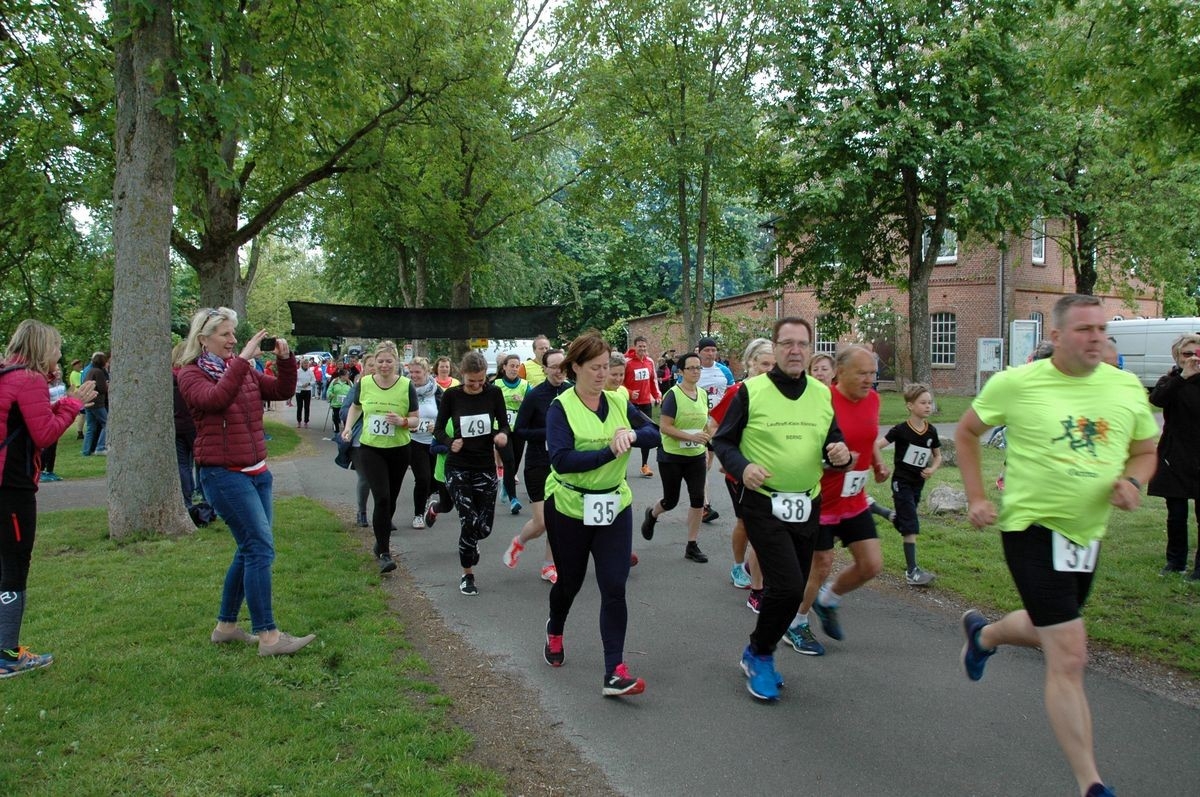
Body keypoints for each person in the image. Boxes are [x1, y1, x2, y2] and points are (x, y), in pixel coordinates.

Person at [955, 294, 1157, 797]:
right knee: (1068, 652)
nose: (1097, 338)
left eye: (1102, 329)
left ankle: (985, 636)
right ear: (1059, 335)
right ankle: (1091, 783)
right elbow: (966, 432)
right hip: (1030, 525)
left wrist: (1132, 481)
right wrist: (977, 497)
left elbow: (1145, 449)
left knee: (1052, 627)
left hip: (1086, 534)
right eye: (1085, 329)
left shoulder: (1125, 387)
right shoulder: (1017, 384)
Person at [713, 317, 851, 701]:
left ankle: (758, 649)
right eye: (786, 343)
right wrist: (743, 468)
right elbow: (722, 442)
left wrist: (839, 455)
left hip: (807, 501)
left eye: (802, 344)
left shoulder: (823, 395)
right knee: (789, 587)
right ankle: (760, 653)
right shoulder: (749, 391)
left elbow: (833, 443)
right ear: (773, 349)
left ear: (810, 349)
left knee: (794, 583)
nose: (795, 350)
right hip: (763, 503)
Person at [177, 307, 315, 656]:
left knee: (250, 548)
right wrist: (241, 361)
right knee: (259, 549)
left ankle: (226, 627)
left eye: (234, 334)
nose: (233, 340)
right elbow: (215, 400)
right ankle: (268, 636)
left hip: (257, 472)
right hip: (222, 474)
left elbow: (281, 390)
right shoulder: (190, 374)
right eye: (225, 334)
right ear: (203, 338)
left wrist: (285, 360)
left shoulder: (241, 371)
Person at [543, 331, 660, 698]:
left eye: (605, 366)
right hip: (570, 507)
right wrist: (609, 451)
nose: (601, 373)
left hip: (614, 505)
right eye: (593, 367)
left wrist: (632, 437)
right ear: (575, 367)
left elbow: (653, 432)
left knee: (614, 585)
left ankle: (614, 671)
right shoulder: (560, 408)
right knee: (571, 582)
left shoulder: (619, 402)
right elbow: (561, 459)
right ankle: (556, 628)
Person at [0, 320, 94, 677]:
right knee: (14, 565)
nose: (59, 353)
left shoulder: (9, 374)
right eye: (56, 346)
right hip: (12, 488)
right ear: (42, 348)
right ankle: (7, 654)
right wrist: (73, 404)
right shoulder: (29, 379)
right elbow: (44, 435)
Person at [804, 346, 889, 646]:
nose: (869, 380)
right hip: (822, 499)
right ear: (840, 372)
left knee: (871, 565)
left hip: (853, 499)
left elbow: (868, 435)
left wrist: (876, 460)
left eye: (872, 374)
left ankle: (828, 600)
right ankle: (796, 623)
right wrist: (836, 461)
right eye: (862, 373)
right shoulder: (823, 402)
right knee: (821, 565)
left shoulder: (874, 399)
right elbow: (804, 452)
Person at [433, 351, 510, 596]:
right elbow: (437, 429)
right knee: (469, 521)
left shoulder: (494, 393)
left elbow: (504, 424)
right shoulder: (451, 396)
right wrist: (448, 441)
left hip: (484, 466)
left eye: (480, 381)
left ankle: (471, 543)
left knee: (483, 528)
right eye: (471, 382)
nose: (476, 386)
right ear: (462, 375)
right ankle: (467, 575)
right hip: (457, 466)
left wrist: (502, 434)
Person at [342, 341, 418, 575]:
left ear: (396, 363)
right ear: (373, 363)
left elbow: (415, 419)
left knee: (391, 500)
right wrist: (347, 428)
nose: (384, 365)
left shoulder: (406, 386)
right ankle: (385, 553)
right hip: (371, 448)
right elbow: (355, 407)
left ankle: (380, 539)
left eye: (388, 361)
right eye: (380, 361)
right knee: (382, 498)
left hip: (399, 448)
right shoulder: (364, 383)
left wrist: (402, 421)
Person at [708, 338, 775, 603]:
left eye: (774, 364)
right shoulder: (738, 392)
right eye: (764, 364)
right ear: (750, 364)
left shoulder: (779, 393)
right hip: (740, 472)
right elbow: (712, 424)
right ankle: (740, 567)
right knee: (747, 524)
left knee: (767, 525)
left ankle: (754, 568)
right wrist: (729, 456)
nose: (769, 370)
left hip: (770, 472)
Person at [503, 348, 568, 583]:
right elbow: (519, 429)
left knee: (557, 518)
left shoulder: (572, 392)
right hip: (538, 463)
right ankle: (519, 542)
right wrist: (549, 433)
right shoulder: (535, 395)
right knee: (541, 522)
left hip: (562, 464)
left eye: (563, 366)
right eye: (554, 367)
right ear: (544, 369)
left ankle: (548, 565)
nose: (559, 371)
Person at [641, 352, 711, 562]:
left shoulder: (703, 394)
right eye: (691, 368)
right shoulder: (673, 395)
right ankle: (652, 514)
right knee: (671, 501)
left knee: (698, 499)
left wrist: (706, 442)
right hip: (672, 456)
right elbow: (664, 427)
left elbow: (704, 424)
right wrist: (690, 436)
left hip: (696, 456)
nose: (696, 371)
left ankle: (692, 544)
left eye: (698, 367)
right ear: (680, 372)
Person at [875, 383, 942, 586]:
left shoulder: (931, 431)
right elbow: (876, 445)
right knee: (911, 524)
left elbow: (938, 456)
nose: (928, 406)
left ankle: (883, 512)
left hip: (917, 484)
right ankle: (912, 571)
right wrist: (882, 466)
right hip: (901, 483)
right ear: (910, 406)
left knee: (906, 520)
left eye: (930, 402)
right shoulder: (901, 430)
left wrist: (932, 469)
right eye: (923, 403)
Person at [1148, 333, 1200, 578]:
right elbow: (1157, 400)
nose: (1191, 358)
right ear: (1177, 357)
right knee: (1176, 515)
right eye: (1186, 354)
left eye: (1196, 353)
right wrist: (1183, 377)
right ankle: (1175, 562)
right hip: (1175, 455)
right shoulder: (1168, 381)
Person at [696, 337, 735, 523]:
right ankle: (705, 506)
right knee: (703, 463)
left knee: (709, 463)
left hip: (719, 424)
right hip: (700, 424)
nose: (711, 354)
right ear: (700, 352)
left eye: (713, 350)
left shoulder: (724, 371)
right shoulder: (694, 370)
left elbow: (732, 395)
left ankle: (699, 493)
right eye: (707, 350)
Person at [405, 357, 442, 530]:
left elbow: (446, 415)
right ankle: (418, 515)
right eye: (411, 372)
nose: (414, 376)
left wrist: (438, 426)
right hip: (414, 440)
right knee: (422, 478)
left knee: (435, 480)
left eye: (417, 372)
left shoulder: (437, 391)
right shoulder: (404, 390)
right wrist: (407, 424)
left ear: (427, 372)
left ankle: (426, 498)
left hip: (434, 441)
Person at [495, 353, 529, 515]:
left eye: (517, 366)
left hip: (519, 429)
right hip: (501, 429)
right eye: (511, 366)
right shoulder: (496, 384)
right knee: (508, 461)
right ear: (504, 367)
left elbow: (532, 407)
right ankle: (513, 499)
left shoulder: (524, 385)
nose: (514, 369)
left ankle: (506, 487)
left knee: (514, 463)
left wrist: (522, 400)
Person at [624, 336, 662, 478]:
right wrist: (629, 393)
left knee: (646, 433)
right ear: (634, 347)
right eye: (640, 346)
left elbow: (653, 381)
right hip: (630, 405)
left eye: (644, 347)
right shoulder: (627, 362)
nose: (642, 349)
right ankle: (622, 466)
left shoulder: (650, 362)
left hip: (645, 402)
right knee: (626, 434)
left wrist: (657, 395)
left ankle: (644, 465)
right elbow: (618, 382)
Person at [81, 351, 109, 456]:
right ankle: (101, 447)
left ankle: (86, 450)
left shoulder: (90, 371)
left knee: (90, 427)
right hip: (98, 403)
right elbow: (102, 389)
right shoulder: (99, 372)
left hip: (89, 402)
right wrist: (107, 385)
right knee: (107, 423)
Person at [327, 368, 352, 437]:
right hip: (336, 403)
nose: (348, 377)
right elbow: (329, 390)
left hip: (345, 404)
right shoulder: (334, 381)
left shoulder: (349, 382)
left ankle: (345, 432)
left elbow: (353, 391)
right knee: (336, 418)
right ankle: (336, 432)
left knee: (345, 418)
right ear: (342, 376)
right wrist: (330, 395)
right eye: (347, 375)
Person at [294, 356, 315, 428]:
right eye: (305, 363)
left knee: (307, 407)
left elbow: (314, 380)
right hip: (299, 391)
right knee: (299, 407)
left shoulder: (310, 372)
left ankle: (306, 421)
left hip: (307, 390)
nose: (306, 365)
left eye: (307, 364)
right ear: (302, 364)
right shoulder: (298, 371)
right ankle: (299, 421)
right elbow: (295, 381)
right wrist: (301, 385)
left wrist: (308, 384)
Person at [68, 359, 85, 439]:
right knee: (82, 414)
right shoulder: (74, 374)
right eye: (78, 364)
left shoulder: (78, 373)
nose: (80, 366)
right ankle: (80, 432)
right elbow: (78, 386)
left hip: (79, 396)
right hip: (79, 396)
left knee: (83, 414)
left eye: (80, 364)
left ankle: (80, 432)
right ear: (74, 366)